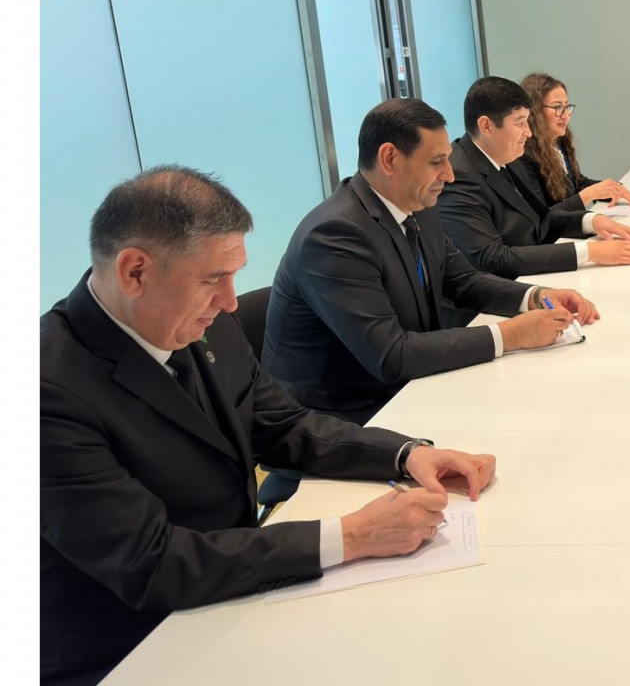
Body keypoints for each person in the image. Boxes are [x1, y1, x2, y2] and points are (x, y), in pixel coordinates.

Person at [41, 166, 497, 685]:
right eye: (212, 279)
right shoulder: (46, 391)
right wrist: (352, 536)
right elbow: (152, 563)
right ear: (135, 272)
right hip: (132, 648)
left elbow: (282, 426)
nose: (231, 301)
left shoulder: (201, 323)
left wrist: (406, 454)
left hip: (233, 593)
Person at [262, 98, 600, 425]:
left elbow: (463, 280)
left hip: (407, 391)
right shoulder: (335, 235)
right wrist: (511, 335)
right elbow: (391, 355)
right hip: (345, 419)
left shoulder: (416, 207)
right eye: (436, 162)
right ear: (390, 159)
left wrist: (535, 296)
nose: (449, 175)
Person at [437, 76, 630, 278]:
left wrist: (590, 221)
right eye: (520, 123)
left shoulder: (504, 155)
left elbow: (542, 220)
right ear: (486, 126)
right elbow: (492, 259)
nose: (528, 132)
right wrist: (588, 252)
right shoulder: (459, 177)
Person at [512, 71, 630, 211]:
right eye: (557, 107)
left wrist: (612, 188)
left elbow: (576, 183)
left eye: (567, 107)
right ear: (534, 111)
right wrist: (588, 195)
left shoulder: (559, 143)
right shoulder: (523, 155)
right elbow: (542, 216)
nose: (566, 115)